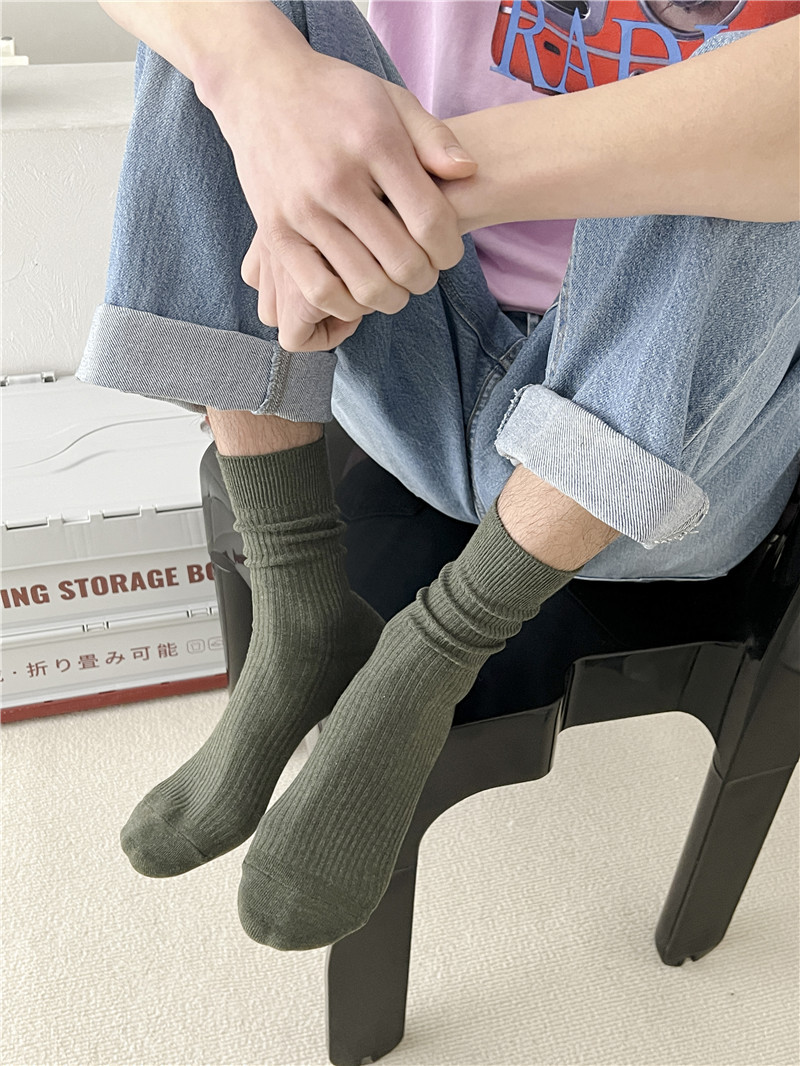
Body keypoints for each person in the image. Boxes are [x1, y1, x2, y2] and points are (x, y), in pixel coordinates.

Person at [77, 0, 800, 951]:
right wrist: (267, 92)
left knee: (757, 111)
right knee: (225, 31)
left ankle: (434, 654)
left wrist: (369, 185)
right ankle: (300, 606)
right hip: (412, 339)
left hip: (668, 457)